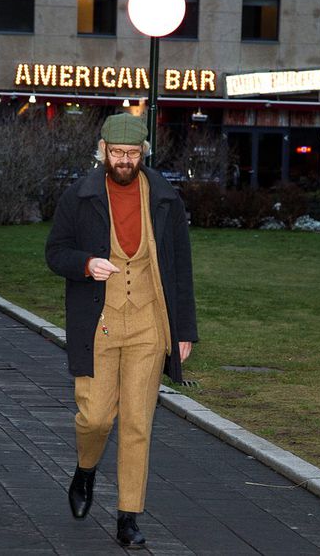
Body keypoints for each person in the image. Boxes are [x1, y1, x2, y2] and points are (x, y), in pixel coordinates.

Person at [45, 113, 197, 549]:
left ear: (143, 152)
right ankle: (86, 468)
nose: (125, 161)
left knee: (136, 423)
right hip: (100, 321)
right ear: (103, 150)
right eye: (117, 153)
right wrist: (86, 264)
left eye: (133, 154)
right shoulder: (80, 195)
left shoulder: (165, 198)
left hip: (150, 322)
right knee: (95, 417)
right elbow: (55, 252)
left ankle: (128, 516)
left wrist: (184, 329)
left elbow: (180, 267)